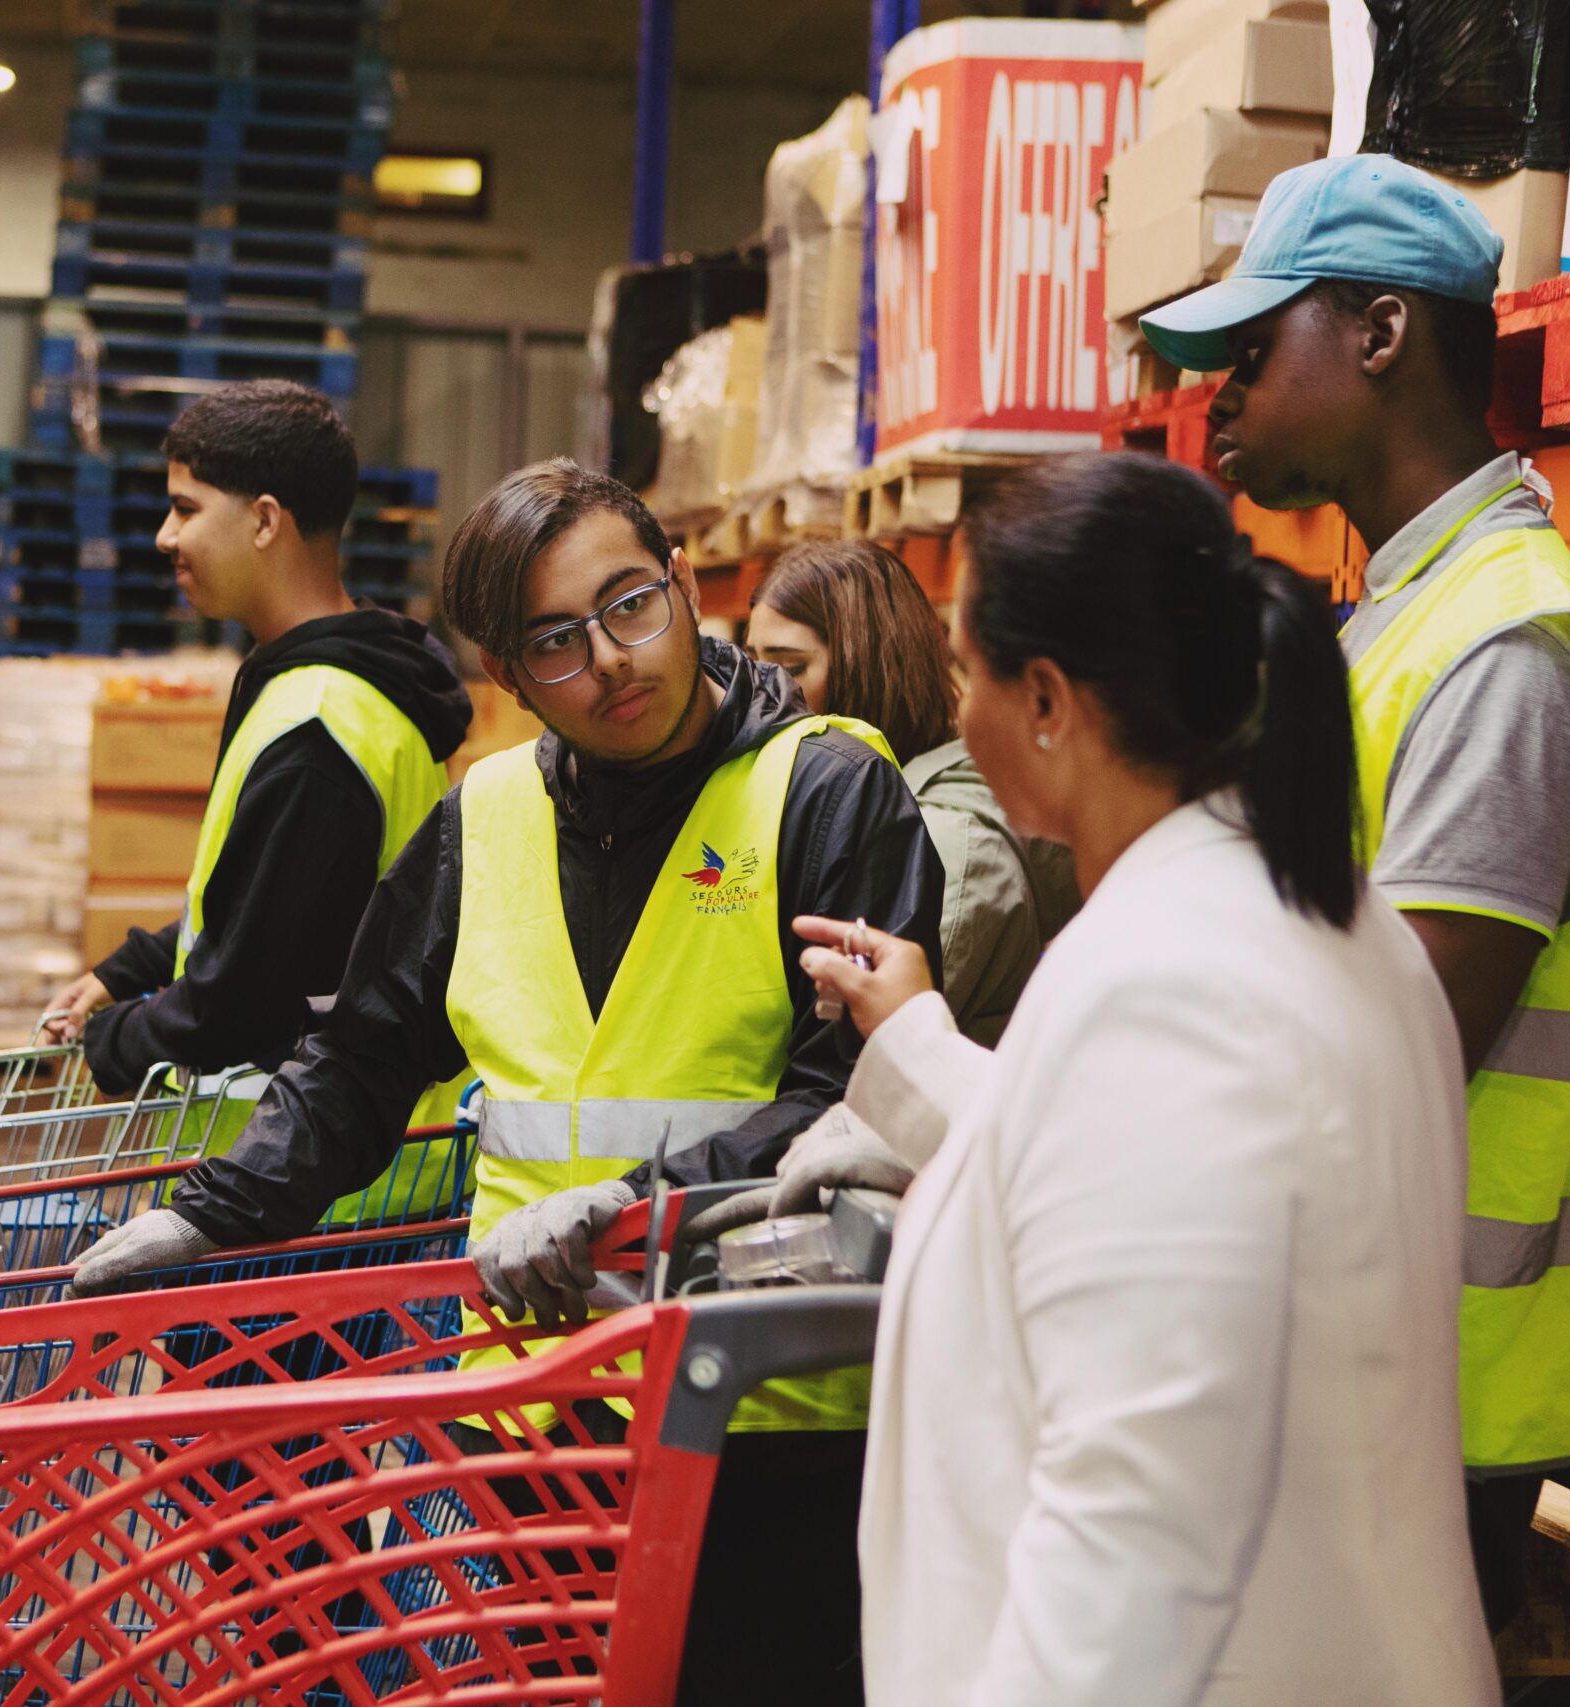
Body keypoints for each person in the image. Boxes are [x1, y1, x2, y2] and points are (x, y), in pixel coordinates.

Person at [69, 457, 944, 1705]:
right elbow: (365, 1056)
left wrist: (629, 1206)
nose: (614, 659)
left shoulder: (826, 790)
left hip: (763, 1417)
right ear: (504, 676)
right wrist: (212, 1206)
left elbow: (858, 1089)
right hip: (530, 1411)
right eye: (555, 643)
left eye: (631, 605)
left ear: (685, 585)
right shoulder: (486, 822)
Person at [794, 453, 1494, 1705]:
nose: (956, 715)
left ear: (1049, 698)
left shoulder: (1172, 979)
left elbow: (1136, 1527)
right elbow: (1119, 1194)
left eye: (967, 674)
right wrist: (910, 1052)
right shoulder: (1315, 925)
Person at [1142, 154, 1570, 1626]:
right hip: (1354, 1374)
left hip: (1434, 1403)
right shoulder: (1396, 619)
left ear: (1377, 336)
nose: (1216, 398)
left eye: (1253, 351)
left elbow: (1399, 1045)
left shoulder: (1504, 642)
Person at [35, 381, 473, 1146]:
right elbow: (274, 910)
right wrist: (134, 966)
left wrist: (108, 1042)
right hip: (301, 1165)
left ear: (266, 520)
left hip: (315, 1187)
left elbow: (244, 998)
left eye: (187, 508)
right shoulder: (328, 691)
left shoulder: (318, 729)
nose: (165, 537)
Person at [748, 539, 1077, 1044]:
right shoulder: (835, 803)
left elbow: (855, 1056)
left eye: (790, 668)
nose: (763, 694)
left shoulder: (948, 845)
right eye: (753, 665)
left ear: (868, 667)